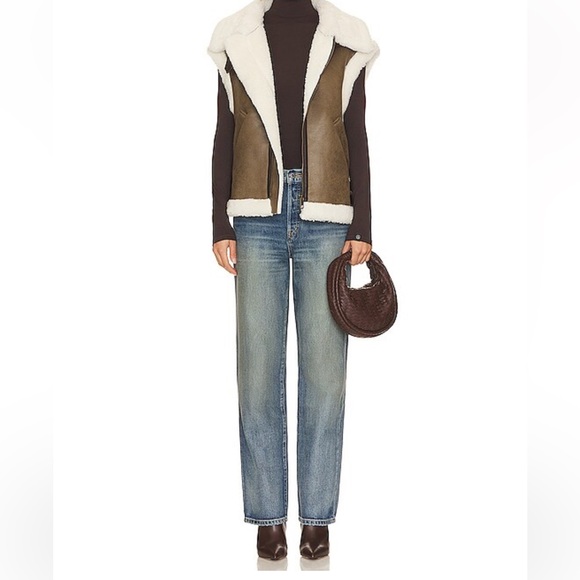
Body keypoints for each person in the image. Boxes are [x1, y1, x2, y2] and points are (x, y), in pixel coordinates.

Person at [207, 0, 379, 561]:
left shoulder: (346, 38)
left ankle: (317, 519)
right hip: (255, 216)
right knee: (257, 375)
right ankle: (268, 518)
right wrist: (220, 223)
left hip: (326, 217)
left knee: (325, 378)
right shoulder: (236, 37)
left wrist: (363, 224)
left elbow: (356, 134)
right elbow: (226, 133)